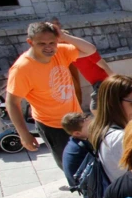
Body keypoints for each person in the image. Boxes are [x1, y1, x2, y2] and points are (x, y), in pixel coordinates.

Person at [5, 22, 97, 169]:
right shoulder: (22, 69)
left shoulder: (60, 51)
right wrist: (24, 134)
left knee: (94, 160)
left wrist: (64, 36)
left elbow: (90, 50)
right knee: (73, 168)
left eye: (52, 42)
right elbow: (12, 103)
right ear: (30, 42)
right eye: (42, 43)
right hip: (53, 126)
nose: (48, 47)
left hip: (77, 119)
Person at [61, 112, 93, 188]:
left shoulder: (74, 141)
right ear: (77, 133)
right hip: (85, 185)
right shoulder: (80, 148)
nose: (93, 127)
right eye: (89, 127)